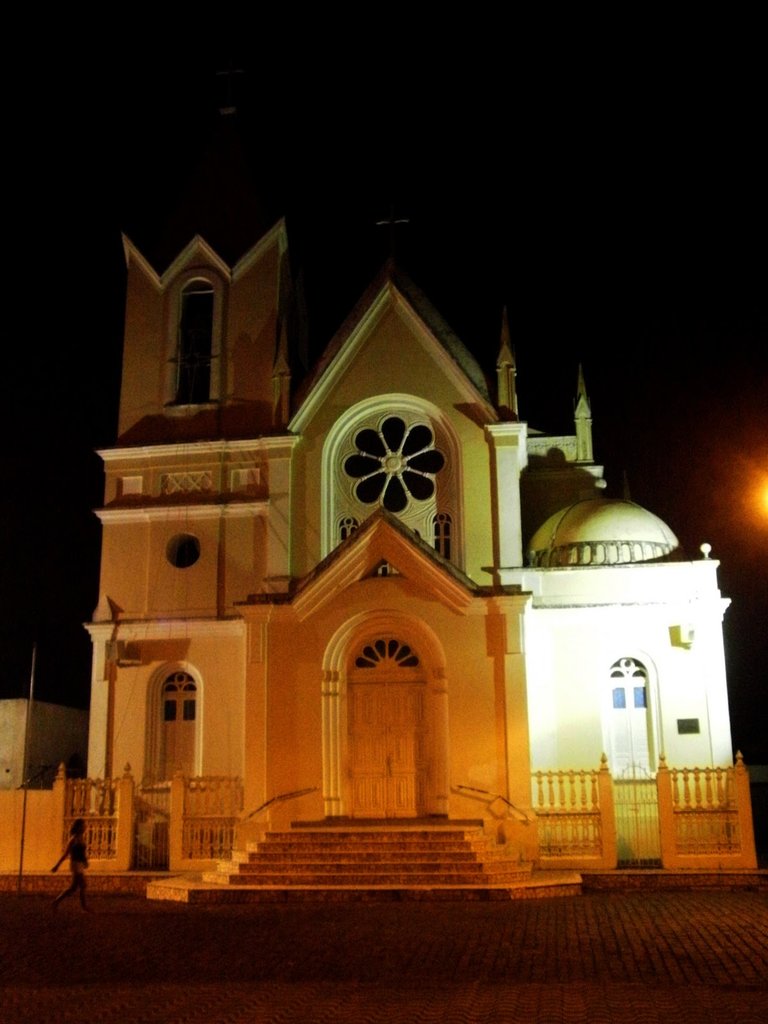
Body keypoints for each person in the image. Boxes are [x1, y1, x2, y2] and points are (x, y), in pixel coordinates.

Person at [51, 818, 90, 911]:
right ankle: (84, 907)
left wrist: (85, 861)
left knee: (73, 888)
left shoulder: (81, 838)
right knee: (83, 885)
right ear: (79, 827)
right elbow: (66, 853)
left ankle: (56, 902)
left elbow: (82, 853)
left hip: (80, 864)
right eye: (83, 825)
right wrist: (57, 865)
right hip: (75, 864)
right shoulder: (74, 839)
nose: (85, 827)